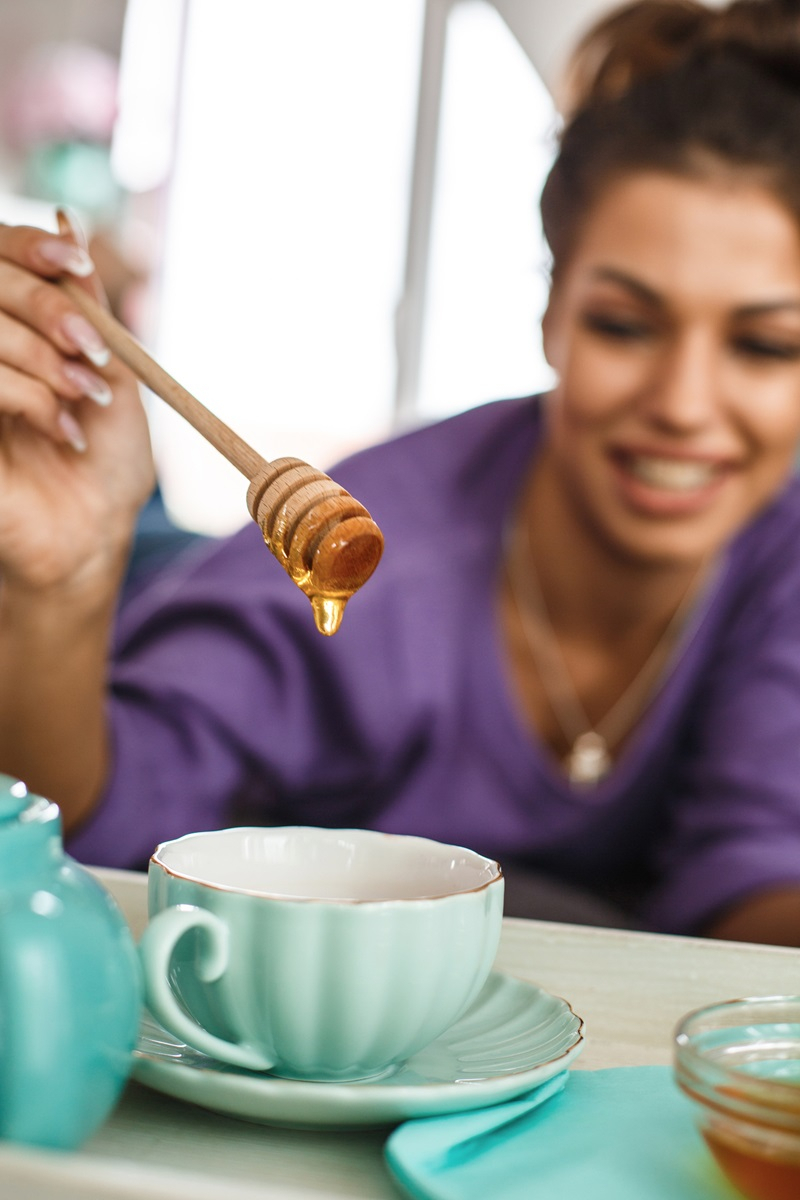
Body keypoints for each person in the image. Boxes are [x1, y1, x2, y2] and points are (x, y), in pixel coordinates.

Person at [2, 0, 800, 944]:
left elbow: (753, 865)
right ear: (550, 314)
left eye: (764, 344)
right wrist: (61, 581)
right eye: (623, 326)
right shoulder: (369, 565)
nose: (683, 403)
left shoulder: (780, 541)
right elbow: (96, 824)